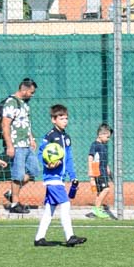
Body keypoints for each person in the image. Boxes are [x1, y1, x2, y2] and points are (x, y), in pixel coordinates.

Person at [33, 104, 85, 248]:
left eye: (66, 118)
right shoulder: (50, 136)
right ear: (53, 119)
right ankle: (70, 237)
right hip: (52, 178)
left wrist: (73, 176)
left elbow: (69, 158)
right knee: (65, 204)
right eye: (61, 118)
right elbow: (41, 153)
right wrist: (48, 164)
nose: (65, 121)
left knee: (50, 209)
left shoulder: (66, 137)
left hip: (60, 178)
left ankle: (39, 238)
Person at [0, 78, 40, 213]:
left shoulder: (24, 104)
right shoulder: (11, 102)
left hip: (27, 144)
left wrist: (31, 138)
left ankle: (12, 193)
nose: (32, 95)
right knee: (18, 175)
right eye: (31, 92)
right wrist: (9, 146)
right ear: (24, 89)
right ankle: (14, 204)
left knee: (34, 171)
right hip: (17, 145)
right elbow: (5, 125)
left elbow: (26, 123)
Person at [87, 123, 116, 220]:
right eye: (107, 137)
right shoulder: (95, 145)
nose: (108, 139)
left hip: (103, 172)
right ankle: (97, 209)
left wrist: (108, 169)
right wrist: (91, 172)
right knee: (106, 189)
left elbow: (103, 160)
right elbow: (90, 157)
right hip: (98, 172)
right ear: (100, 135)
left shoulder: (103, 146)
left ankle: (95, 211)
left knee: (99, 192)